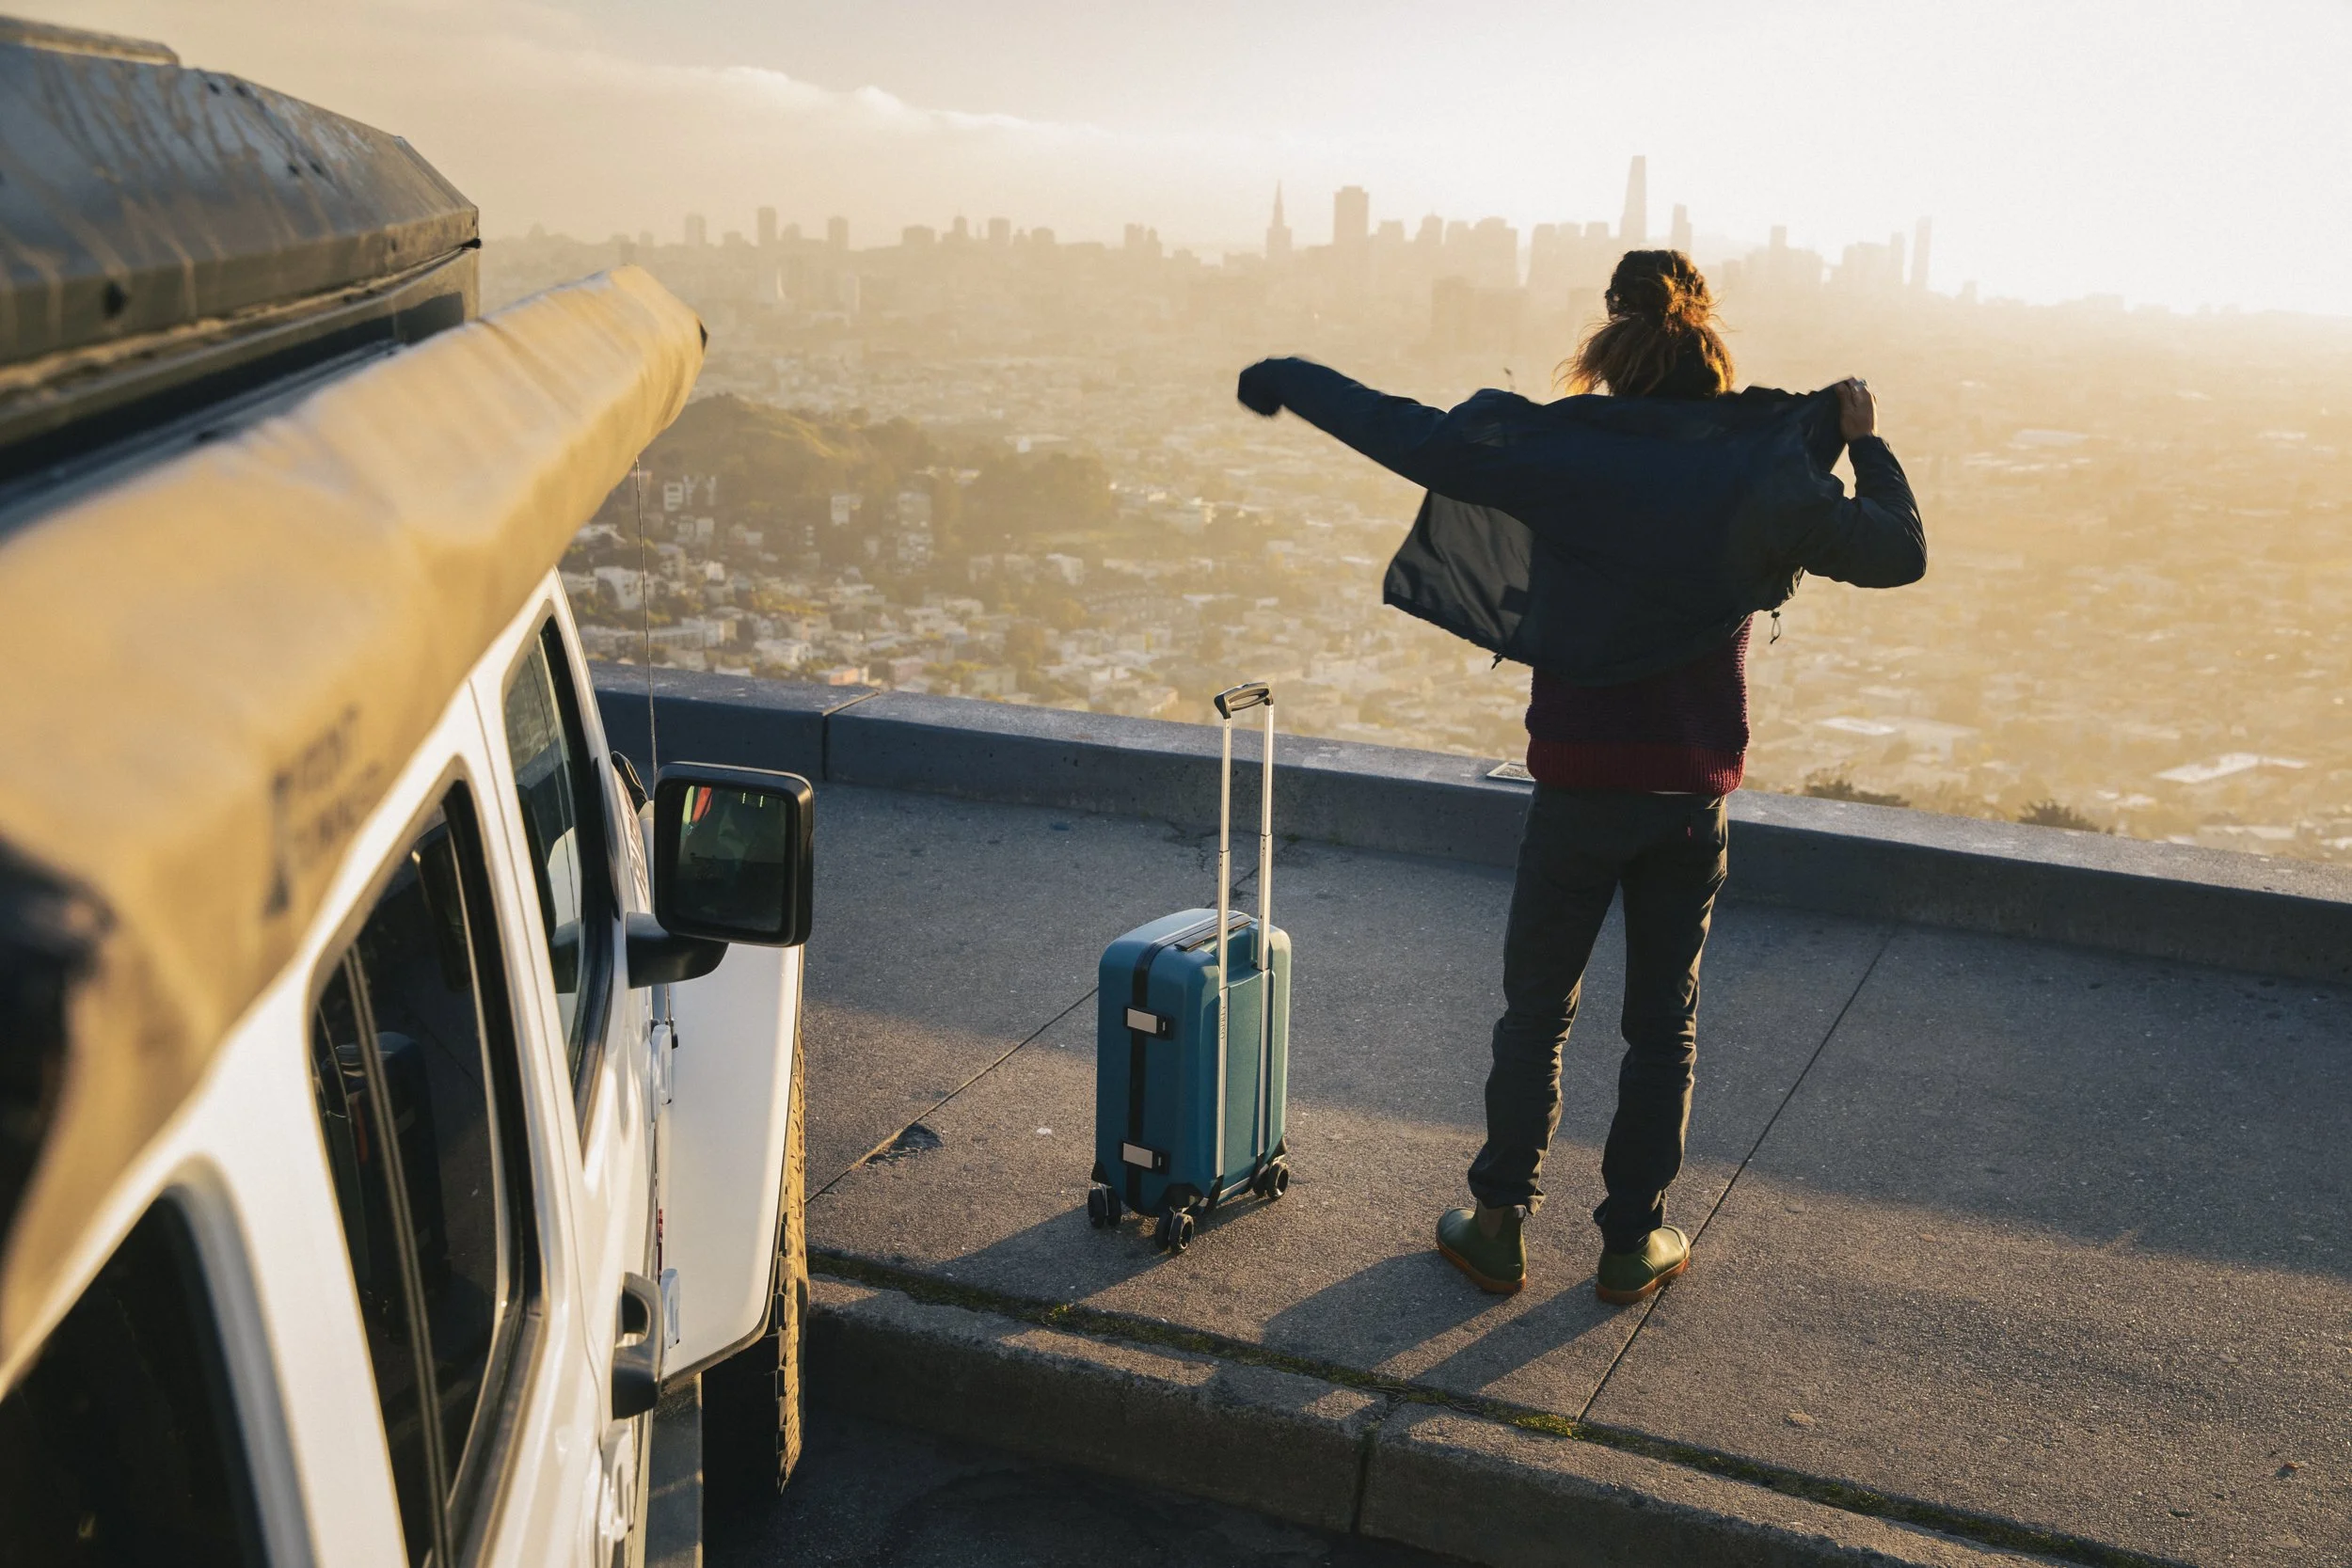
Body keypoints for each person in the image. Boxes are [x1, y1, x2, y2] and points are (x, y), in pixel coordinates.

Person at [1235, 249, 1923, 1304]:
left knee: (1536, 1012)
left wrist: (1287, 369)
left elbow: (1407, 429)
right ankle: (1629, 1240)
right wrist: (1862, 443)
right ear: (1706, 345)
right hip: (1686, 795)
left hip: (1574, 786)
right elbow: (1894, 551)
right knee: (1662, 1025)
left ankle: (1498, 1225)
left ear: (1607, 348)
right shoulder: (1758, 468)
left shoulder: (1555, 449)